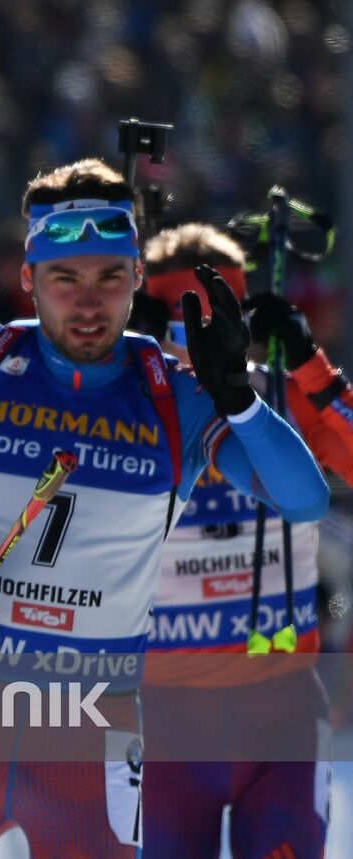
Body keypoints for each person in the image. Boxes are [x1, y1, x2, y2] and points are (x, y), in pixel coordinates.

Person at [0, 160, 329, 857]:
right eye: (66, 278)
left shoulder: (173, 393)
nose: (88, 303)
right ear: (29, 279)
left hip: (93, 731)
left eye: (109, 278)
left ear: (136, 282)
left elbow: (306, 497)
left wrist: (239, 400)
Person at [137, 223, 353, 857]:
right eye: (180, 330)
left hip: (279, 714)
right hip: (165, 723)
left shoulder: (273, 393)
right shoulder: (132, 397)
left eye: (217, 321)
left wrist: (309, 362)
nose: (197, 348)